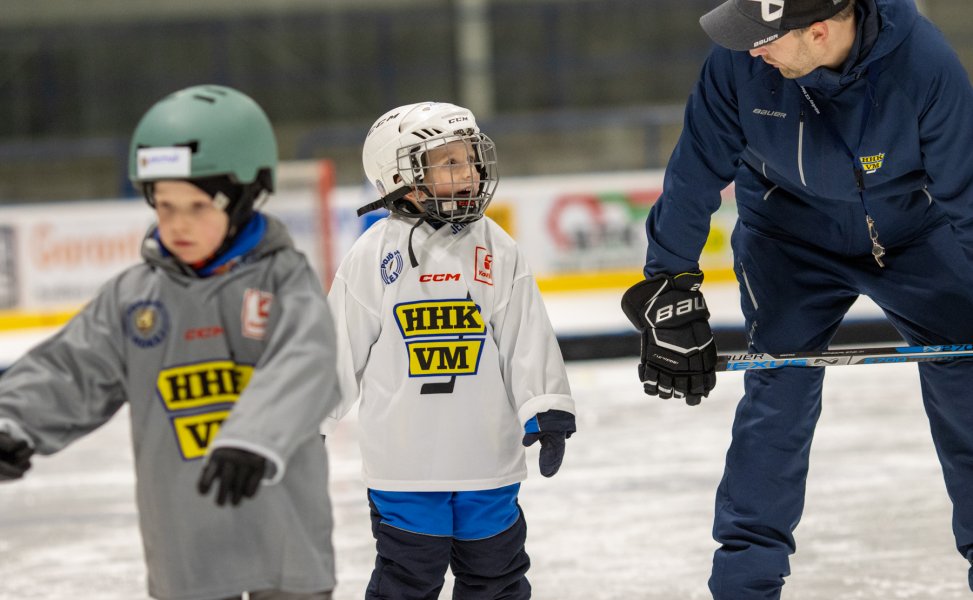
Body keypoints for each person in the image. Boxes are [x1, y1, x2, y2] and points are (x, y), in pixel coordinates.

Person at [620, 0, 973, 597]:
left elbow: (967, 194)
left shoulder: (925, 66)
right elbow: (694, 174)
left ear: (818, 30)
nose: (752, 49)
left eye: (764, 39)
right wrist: (668, 285)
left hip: (913, 234)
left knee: (966, 381)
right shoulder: (737, 64)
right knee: (778, 389)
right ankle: (745, 584)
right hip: (786, 237)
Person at [0, 84, 339, 600]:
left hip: (284, 537)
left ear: (246, 197)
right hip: (188, 547)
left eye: (198, 206)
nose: (178, 224)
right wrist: (12, 419)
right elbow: (72, 368)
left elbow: (305, 361)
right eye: (164, 205)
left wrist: (254, 437)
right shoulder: (135, 297)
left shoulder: (284, 281)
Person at [326, 101, 577, 600]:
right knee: (407, 581)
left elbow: (525, 336)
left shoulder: (497, 248)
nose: (470, 173)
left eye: (470, 159)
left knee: (496, 580)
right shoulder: (372, 257)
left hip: (488, 459)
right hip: (406, 466)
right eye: (449, 162)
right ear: (401, 177)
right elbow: (337, 348)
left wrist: (546, 407)